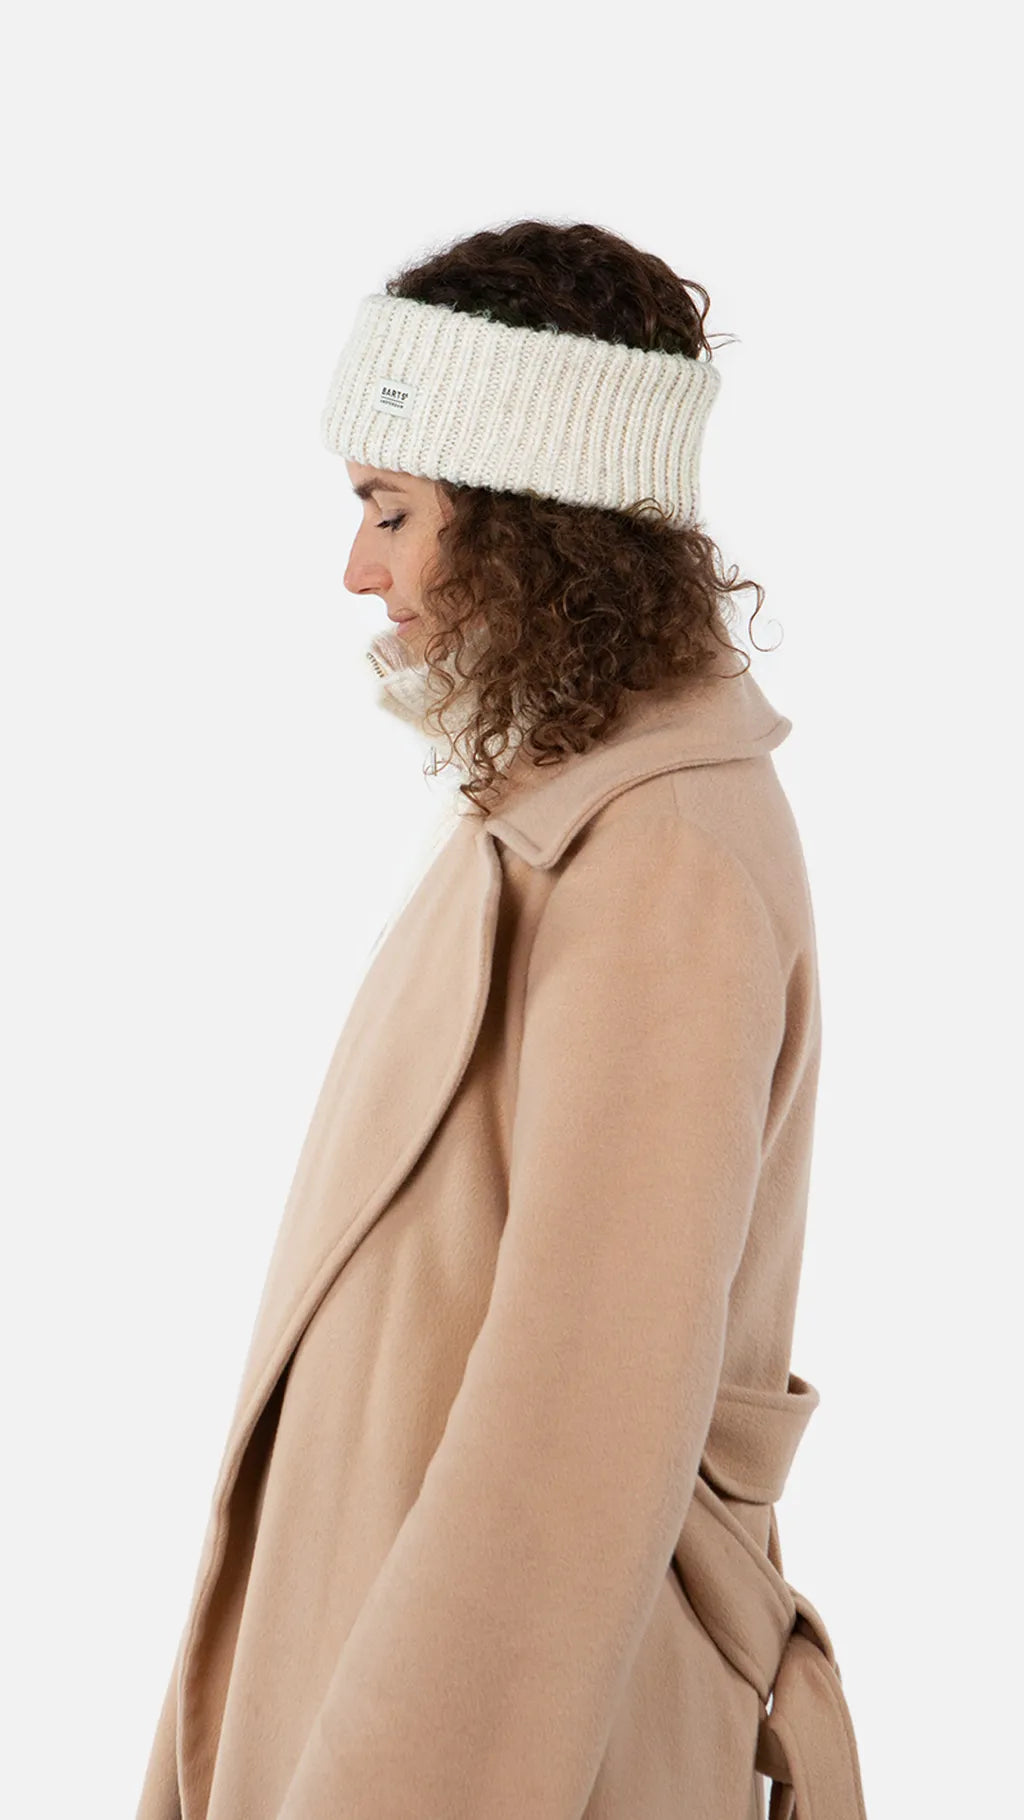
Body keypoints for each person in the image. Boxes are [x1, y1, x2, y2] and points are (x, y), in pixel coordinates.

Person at [134, 218, 868, 1820]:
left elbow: (573, 1433)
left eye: (392, 509)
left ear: (534, 518)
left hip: (503, 1749)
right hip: (382, 1662)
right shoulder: (558, 819)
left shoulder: (655, 862)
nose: (360, 570)